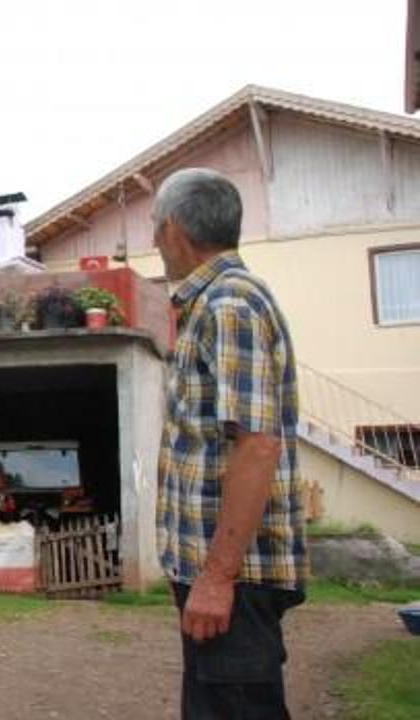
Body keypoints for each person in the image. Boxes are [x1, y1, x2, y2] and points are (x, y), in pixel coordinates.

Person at [152, 168, 307, 719]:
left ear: (174, 229)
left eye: (154, 227)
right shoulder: (214, 302)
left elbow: (258, 444)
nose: (153, 241)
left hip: (232, 581)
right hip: (219, 577)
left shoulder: (229, 304)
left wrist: (217, 577)